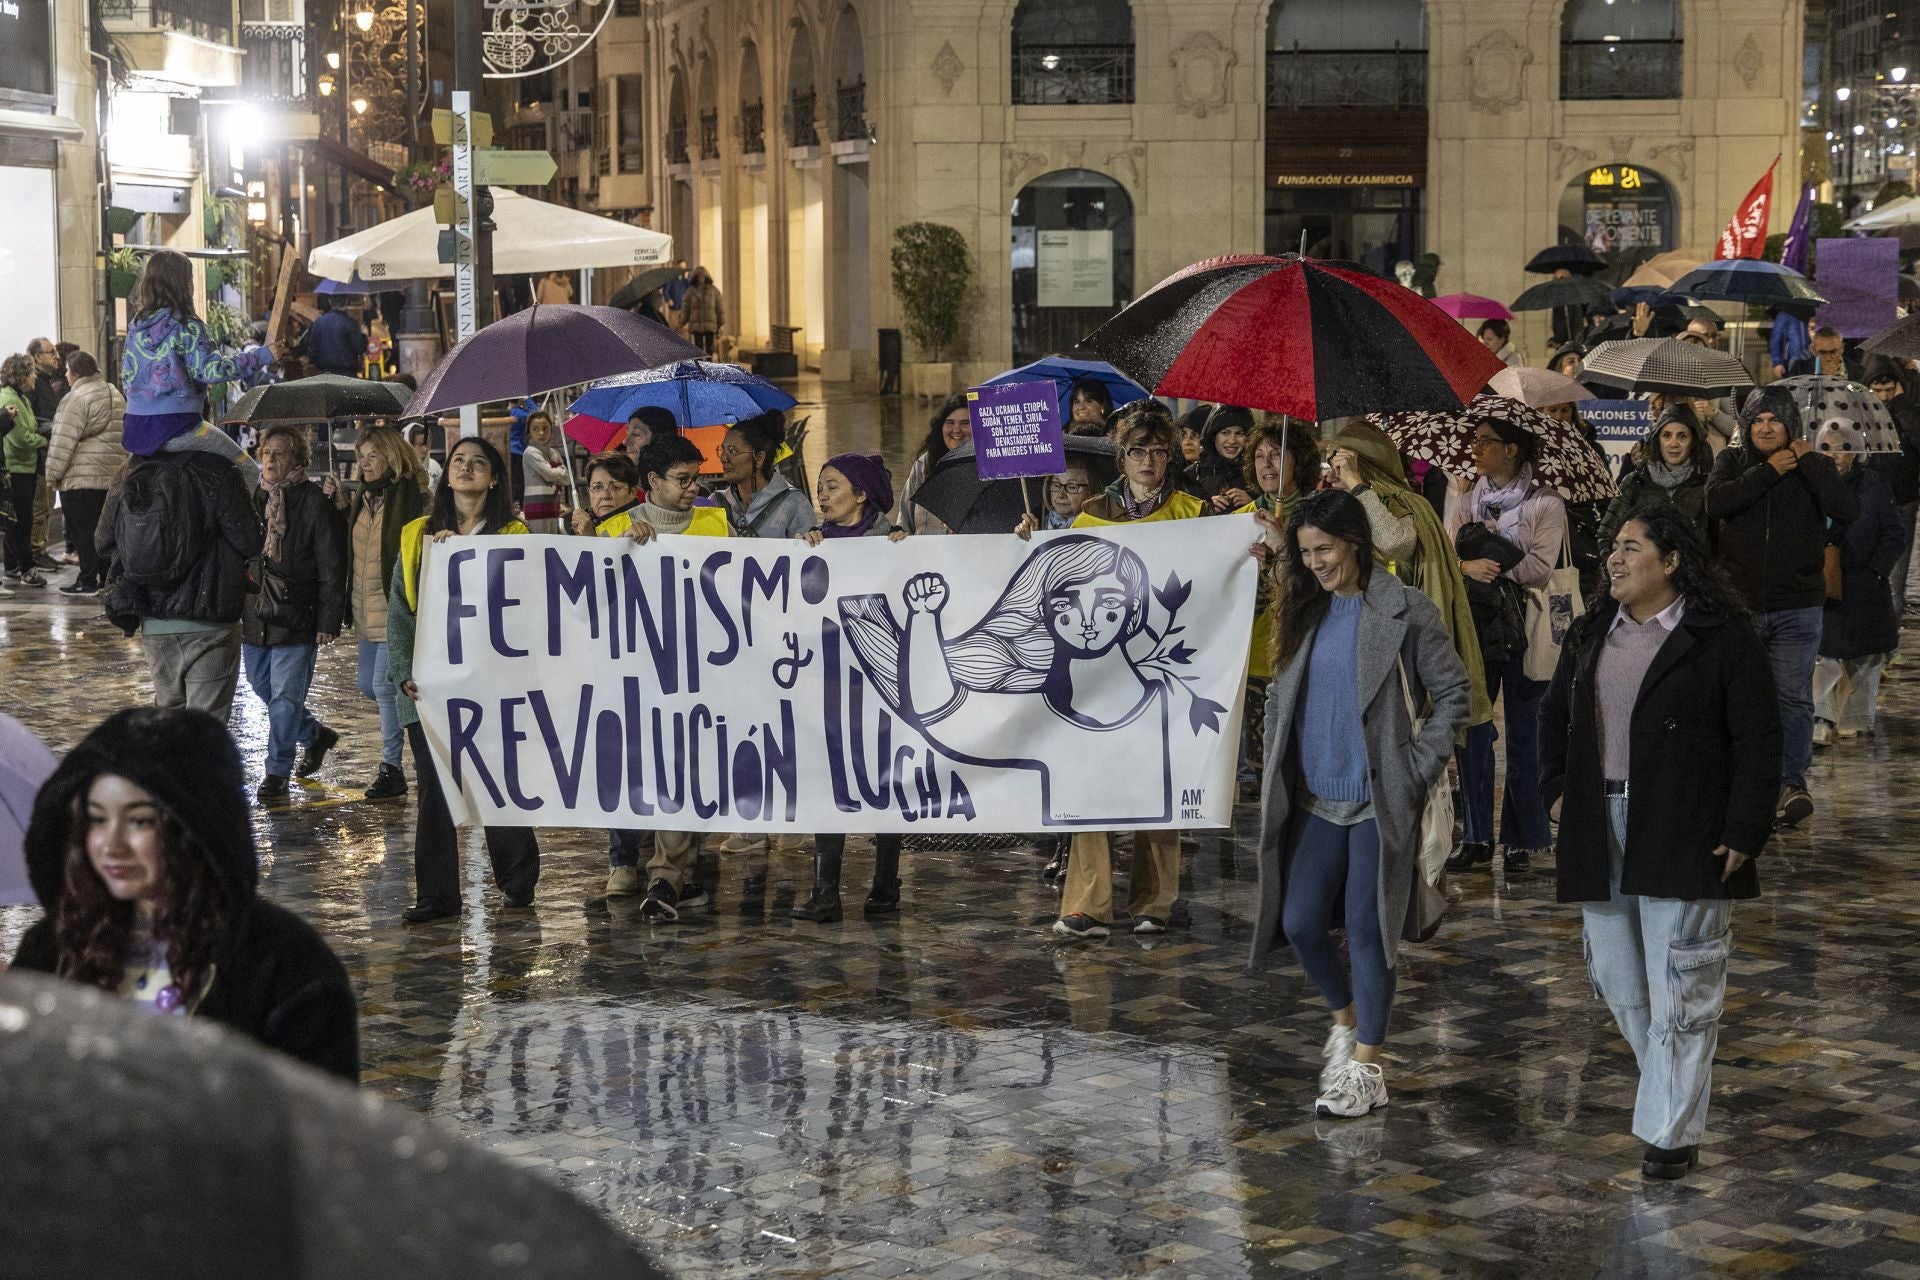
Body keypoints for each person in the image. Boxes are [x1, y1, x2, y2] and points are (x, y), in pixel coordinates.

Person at [1539, 506, 1780, 1180]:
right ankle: (1672, 1094)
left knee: (1682, 986)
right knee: (1617, 979)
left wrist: (1744, 829)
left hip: (1688, 826)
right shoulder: (1591, 632)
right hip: (1600, 823)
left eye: (1631, 547)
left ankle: (1670, 1135)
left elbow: (1759, 738)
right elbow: (1553, 714)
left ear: (1671, 561)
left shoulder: (1722, 636)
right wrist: (1555, 787)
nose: (1614, 559)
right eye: (1612, 548)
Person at [1248, 490, 1471, 1118]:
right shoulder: (1301, 610)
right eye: (1306, 552)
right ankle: (1346, 1023)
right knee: (1297, 924)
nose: (1316, 562)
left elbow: (1454, 694)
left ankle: (1368, 1068)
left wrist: (1415, 769)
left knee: (1370, 930)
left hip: (1379, 800)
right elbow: (1282, 696)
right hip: (1317, 799)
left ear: (1354, 541)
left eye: (1324, 548)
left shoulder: (1406, 609)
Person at [10, 706, 360, 1080]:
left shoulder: (282, 963)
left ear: (194, 826)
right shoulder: (52, 947)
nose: (111, 844)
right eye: (97, 819)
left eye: (140, 820)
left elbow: (318, 1120)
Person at [1015, 400, 1202, 938]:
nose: (1148, 461)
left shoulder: (1194, 512)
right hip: (1099, 673)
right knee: (1090, 783)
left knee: (1160, 782)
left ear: (1170, 458)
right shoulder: (1094, 512)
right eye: (1138, 451)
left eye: (1159, 452)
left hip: (1162, 674)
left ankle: (1154, 902)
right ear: (1121, 457)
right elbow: (1064, 574)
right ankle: (1088, 904)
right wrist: (1034, 542)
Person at [387, 437, 540, 923]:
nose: (466, 468)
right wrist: (405, 673)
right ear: (446, 473)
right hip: (430, 688)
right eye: (458, 461)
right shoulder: (417, 536)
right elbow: (400, 612)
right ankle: (436, 896)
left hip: (492, 686)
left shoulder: (516, 535)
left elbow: (532, 607)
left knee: (497, 778)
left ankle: (517, 879)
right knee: (434, 788)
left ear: (494, 477)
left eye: (479, 463)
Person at [1706, 387, 1857, 826]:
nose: (1766, 427)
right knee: (1741, 698)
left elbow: (1847, 508)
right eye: (1758, 420)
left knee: (1792, 698)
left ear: (1791, 425)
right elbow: (1717, 504)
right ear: (1747, 426)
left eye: (1775, 420)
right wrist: (1769, 472)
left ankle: (1790, 782)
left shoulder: (1815, 466)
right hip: (1741, 604)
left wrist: (1809, 463)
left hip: (1797, 606)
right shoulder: (1731, 464)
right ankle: (1744, 781)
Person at [792, 454, 910, 923]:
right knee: (829, 777)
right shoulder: (815, 543)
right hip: (829, 682)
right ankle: (826, 890)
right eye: (820, 486)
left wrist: (904, 552)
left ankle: (884, 885)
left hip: (881, 687)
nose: (822, 495)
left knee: (885, 778)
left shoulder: (890, 541)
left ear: (861, 495)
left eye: (833, 486)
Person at [1447, 414, 1567, 876]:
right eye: (1475, 441)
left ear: (1512, 450)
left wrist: (1490, 557)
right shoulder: (1464, 493)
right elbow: (1448, 551)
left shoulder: (1545, 502)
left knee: (1525, 736)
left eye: (1485, 442)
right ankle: (1476, 835)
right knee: (1473, 731)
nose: (1475, 450)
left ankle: (1524, 837)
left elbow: (1539, 567)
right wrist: (1465, 566)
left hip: (1526, 627)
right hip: (1474, 626)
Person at [614, 434, 729, 917]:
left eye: (697, 477)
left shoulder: (717, 524)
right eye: (683, 480)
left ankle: (665, 877)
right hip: (638, 675)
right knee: (656, 772)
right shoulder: (618, 528)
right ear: (652, 482)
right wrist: (619, 547)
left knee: (683, 771)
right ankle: (675, 874)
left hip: (704, 673)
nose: (694, 487)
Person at [1323, 422, 1493, 735]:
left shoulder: (1402, 503)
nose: (1334, 473)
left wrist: (1358, 486)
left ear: (1366, 464)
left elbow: (1394, 543)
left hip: (1399, 645)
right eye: (1332, 463)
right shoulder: (1339, 506)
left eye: (1341, 464)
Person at [242, 427, 347, 803]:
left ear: (299, 461)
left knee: (285, 697)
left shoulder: (314, 501)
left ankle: (277, 771)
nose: (270, 459)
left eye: (280, 454)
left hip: (299, 614)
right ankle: (314, 734)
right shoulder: (253, 498)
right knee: (260, 685)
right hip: (258, 614)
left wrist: (327, 620)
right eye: (266, 452)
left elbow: (331, 563)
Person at [327, 425, 425, 801]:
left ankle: (392, 768)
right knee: (370, 685)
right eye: (360, 458)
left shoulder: (411, 497)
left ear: (392, 457)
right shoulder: (362, 499)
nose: (364, 465)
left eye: (372, 457)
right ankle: (417, 726)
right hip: (364, 610)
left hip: (393, 609)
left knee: (384, 687)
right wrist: (337, 506)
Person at [119, 249, 269, 489]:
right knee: (248, 470)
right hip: (180, 426)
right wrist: (262, 356)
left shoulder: (136, 326)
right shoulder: (187, 324)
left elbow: (127, 376)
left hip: (136, 428)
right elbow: (211, 371)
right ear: (183, 283)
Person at [1812, 419, 1905, 744]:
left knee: (1864, 656)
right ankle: (1821, 717)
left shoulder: (1873, 484)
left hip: (1865, 584)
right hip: (1827, 585)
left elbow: (1894, 533)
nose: (1836, 454)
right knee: (1826, 655)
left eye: (1843, 447)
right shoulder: (1811, 485)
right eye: (1827, 446)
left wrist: (1876, 570)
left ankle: (1855, 717)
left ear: (1856, 451)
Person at [43, 351, 126, 597]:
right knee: (105, 532)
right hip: (110, 476)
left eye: (68, 371)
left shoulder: (76, 398)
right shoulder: (113, 392)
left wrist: (52, 475)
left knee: (83, 531)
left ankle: (87, 580)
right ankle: (107, 578)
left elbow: (62, 440)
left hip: (81, 478)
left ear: (76, 373)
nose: (66, 376)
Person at [1600, 404, 1713, 548]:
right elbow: (1606, 535)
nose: (1674, 443)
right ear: (1657, 439)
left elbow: (1718, 543)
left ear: (1693, 441)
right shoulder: (1634, 482)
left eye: (1682, 436)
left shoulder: (1707, 485)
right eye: (1667, 435)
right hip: (1641, 569)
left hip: (1691, 569)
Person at [1866, 359, 1920, 629]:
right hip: (1868, 507)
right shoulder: (1861, 416)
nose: (1884, 396)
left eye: (1889, 389)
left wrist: (1901, 406)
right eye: (1878, 390)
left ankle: (1887, 645)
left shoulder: (1908, 411)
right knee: (1869, 575)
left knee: (1895, 582)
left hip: (1902, 503)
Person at [717, 410, 812, 538]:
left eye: (732, 451)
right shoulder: (716, 503)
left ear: (759, 458)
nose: (723, 458)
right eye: (722, 450)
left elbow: (808, 556)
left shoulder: (794, 504)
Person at [2, 354, 47, 588]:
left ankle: (12, 566)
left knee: (18, 519)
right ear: (20, 376)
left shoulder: (23, 398)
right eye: (31, 373)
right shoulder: (9, 399)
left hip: (26, 466)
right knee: (22, 521)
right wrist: (45, 440)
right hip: (16, 468)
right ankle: (27, 569)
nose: (35, 377)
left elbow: (30, 426)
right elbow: (21, 438)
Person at [897, 395, 969, 535]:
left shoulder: (989, 469)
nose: (956, 430)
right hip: (924, 554)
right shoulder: (923, 465)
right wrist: (899, 534)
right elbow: (904, 521)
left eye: (965, 423)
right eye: (950, 423)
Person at [26, 337, 65, 571]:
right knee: (40, 505)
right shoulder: (33, 386)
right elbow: (33, 421)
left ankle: (40, 548)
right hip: (38, 455)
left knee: (46, 504)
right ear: (37, 357)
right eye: (51, 352)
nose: (56, 357)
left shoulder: (45, 383)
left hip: (47, 453)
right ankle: (35, 550)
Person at [1183, 406, 1254, 509]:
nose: (1232, 440)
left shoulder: (1257, 474)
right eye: (1225, 433)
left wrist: (1253, 504)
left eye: (1239, 433)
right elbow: (1179, 515)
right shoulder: (1192, 475)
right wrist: (1204, 508)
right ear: (1213, 436)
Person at [569, 449, 643, 537]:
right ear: (589, 491)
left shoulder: (638, 529)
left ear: (633, 492)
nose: (605, 496)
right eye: (597, 487)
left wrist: (590, 537)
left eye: (615, 487)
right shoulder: (583, 522)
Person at [292, 295, 367, 378]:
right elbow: (359, 347)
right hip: (347, 373)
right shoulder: (350, 323)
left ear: (330, 302)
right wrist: (364, 336)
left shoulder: (318, 322)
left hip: (324, 372)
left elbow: (312, 350)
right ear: (346, 302)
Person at [519, 414, 566, 532]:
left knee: (553, 543)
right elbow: (548, 474)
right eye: (535, 429)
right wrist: (559, 472)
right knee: (540, 545)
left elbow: (567, 479)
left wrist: (554, 474)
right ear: (529, 432)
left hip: (553, 504)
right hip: (537, 507)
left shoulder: (554, 453)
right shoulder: (530, 453)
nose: (541, 433)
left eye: (545, 428)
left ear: (551, 429)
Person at [1787, 326, 1864, 381]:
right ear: (1814, 351)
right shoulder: (1799, 369)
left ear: (1842, 349)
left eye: (1833, 351)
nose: (1828, 357)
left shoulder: (1859, 372)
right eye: (1822, 352)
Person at [680, 266, 725, 356]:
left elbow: (719, 307)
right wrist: (683, 321)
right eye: (699, 276)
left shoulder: (713, 291)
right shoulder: (691, 291)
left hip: (710, 323)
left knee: (710, 348)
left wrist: (721, 322)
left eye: (702, 276)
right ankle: (700, 366)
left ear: (706, 277)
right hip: (697, 324)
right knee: (698, 348)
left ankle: (708, 366)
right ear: (695, 277)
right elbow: (686, 307)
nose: (701, 278)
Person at [1042, 460, 1096, 530]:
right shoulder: (1036, 522)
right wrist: (1031, 534)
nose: (1061, 495)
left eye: (1072, 487)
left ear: (1091, 491)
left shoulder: (1106, 524)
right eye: (1056, 485)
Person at [1769, 308, 1811, 381]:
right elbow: (1775, 340)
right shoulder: (1785, 314)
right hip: (1790, 364)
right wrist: (1777, 363)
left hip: (1811, 362)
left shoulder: (1814, 312)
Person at [406, 422, 441, 491]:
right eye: (420, 444)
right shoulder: (405, 469)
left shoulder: (434, 465)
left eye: (427, 443)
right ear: (410, 445)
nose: (425, 448)